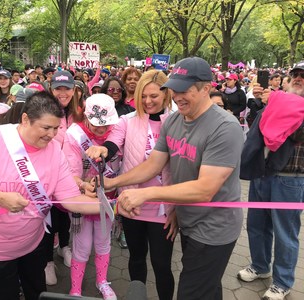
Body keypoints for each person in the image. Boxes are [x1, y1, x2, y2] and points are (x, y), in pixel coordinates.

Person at [88, 57, 244, 300]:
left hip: (214, 227)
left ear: (206, 88)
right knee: (209, 289)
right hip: (188, 220)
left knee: (190, 292)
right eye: (175, 88)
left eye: (185, 89)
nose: (177, 95)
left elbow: (205, 189)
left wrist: (146, 193)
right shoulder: (173, 120)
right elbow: (153, 164)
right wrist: (112, 183)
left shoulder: (225, 127)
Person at [0, 91, 101, 300]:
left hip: (31, 243)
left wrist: (114, 206)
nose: (51, 135)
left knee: (36, 292)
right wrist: (1, 198)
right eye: (46, 128)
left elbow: (71, 199)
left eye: (56, 128)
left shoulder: (54, 149)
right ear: (26, 119)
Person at [86, 70, 176, 300]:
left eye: (154, 96)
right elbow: (113, 143)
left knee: (162, 264)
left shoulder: (177, 122)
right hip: (131, 204)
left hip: (162, 207)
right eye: (143, 96)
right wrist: (102, 149)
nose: (147, 101)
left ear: (166, 94)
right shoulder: (127, 120)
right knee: (136, 258)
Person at [238, 60, 304, 300]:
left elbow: (295, 135)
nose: (298, 78)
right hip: (261, 172)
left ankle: (283, 282)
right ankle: (260, 266)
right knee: (256, 224)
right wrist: (260, 105)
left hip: (290, 179)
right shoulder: (276, 100)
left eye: (303, 76)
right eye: (295, 74)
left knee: (285, 232)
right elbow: (256, 128)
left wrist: (284, 108)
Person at [63, 94, 120, 300]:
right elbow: (70, 171)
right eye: (96, 124)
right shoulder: (74, 134)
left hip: (109, 199)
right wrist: (82, 185)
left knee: (104, 242)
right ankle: (75, 288)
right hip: (83, 200)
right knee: (82, 245)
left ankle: (102, 281)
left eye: (106, 125)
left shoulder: (118, 132)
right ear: (86, 116)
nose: (101, 129)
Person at [44, 70, 84, 285]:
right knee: (50, 217)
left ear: (73, 89)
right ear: (51, 89)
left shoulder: (80, 112)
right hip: (49, 175)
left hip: (74, 176)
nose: (62, 92)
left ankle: (64, 247)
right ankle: (48, 261)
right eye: (58, 88)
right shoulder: (44, 111)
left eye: (66, 88)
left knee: (68, 215)